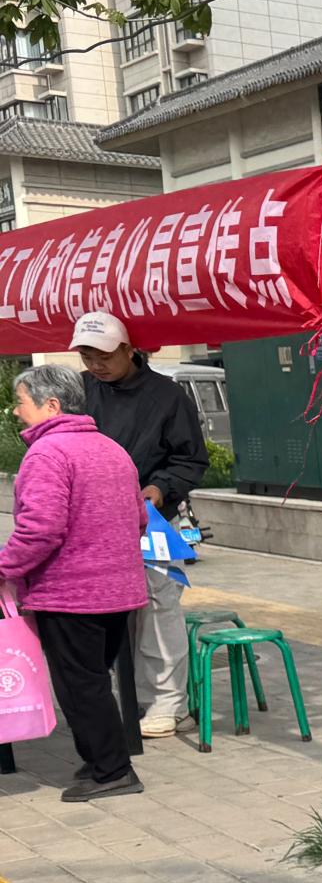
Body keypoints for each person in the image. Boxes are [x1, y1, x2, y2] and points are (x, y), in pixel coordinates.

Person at [1, 365, 149, 800]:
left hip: (71, 593)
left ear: (51, 405)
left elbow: (40, 529)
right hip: (119, 590)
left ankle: (113, 771)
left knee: (80, 684)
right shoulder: (111, 448)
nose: (16, 411)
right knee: (93, 679)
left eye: (21, 402)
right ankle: (100, 759)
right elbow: (139, 518)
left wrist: (4, 567)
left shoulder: (47, 453)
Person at [71, 311, 206, 739]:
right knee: (105, 613)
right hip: (93, 523)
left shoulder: (167, 396)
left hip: (152, 522)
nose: (96, 364)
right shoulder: (78, 391)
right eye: (88, 356)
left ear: (129, 350)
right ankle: (123, 698)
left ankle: (169, 703)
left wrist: (160, 489)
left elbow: (190, 459)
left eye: (105, 355)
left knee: (157, 608)